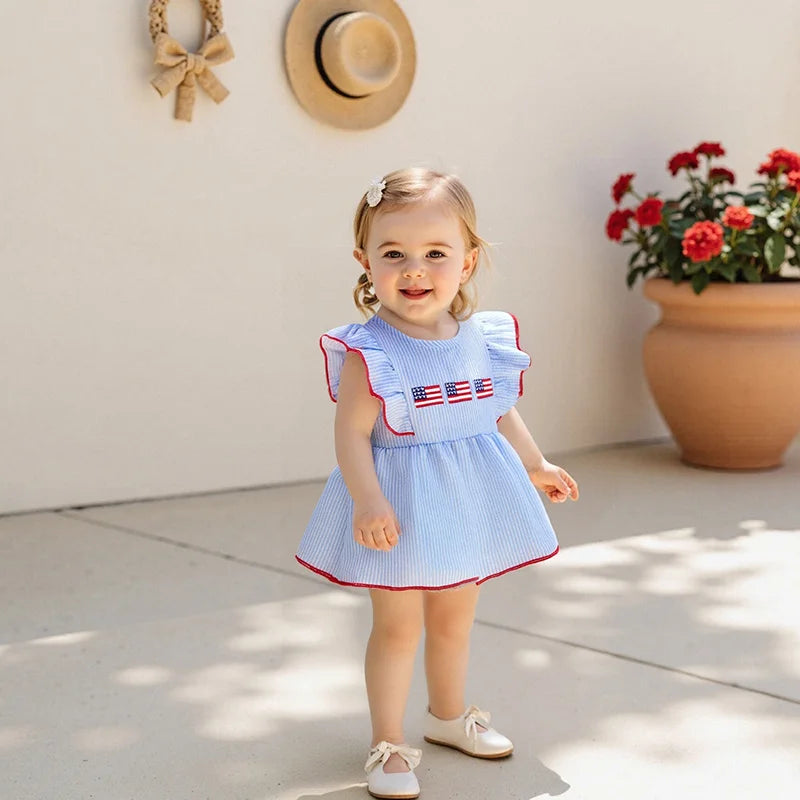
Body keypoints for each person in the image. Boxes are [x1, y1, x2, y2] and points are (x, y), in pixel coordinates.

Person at [295, 168, 579, 799]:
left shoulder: (479, 338)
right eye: (393, 253)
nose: (414, 269)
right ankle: (388, 741)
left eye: (435, 254)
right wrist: (369, 498)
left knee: (455, 615)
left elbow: (497, 407)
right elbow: (351, 437)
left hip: (468, 498)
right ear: (364, 261)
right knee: (398, 626)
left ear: (468, 261)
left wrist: (535, 464)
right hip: (398, 502)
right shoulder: (374, 352)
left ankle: (448, 716)